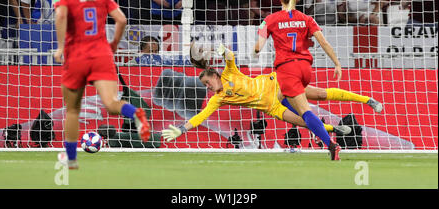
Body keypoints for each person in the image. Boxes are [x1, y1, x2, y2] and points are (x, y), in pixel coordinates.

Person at [162, 42, 383, 144]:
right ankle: (333, 128)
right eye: (207, 87)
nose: (208, 88)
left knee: (321, 95)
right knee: (304, 122)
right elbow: (201, 116)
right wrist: (182, 129)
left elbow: (229, 55)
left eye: (208, 83)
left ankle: (367, 100)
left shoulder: (230, 73)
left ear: (215, 76)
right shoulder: (219, 98)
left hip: (277, 85)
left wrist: (216, 49)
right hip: (272, 107)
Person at [54, 0, 150, 169]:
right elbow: (122, 19)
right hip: (101, 55)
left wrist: (60, 47)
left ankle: (71, 160)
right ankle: (136, 113)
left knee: (72, 110)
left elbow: (60, 17)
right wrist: (114, 43)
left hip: (77, 55)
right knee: (111, 103)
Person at [253, 0, 344, 160]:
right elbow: (323, 42)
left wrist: (254, 52)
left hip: (287, 69)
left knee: (304, 111)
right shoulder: (306, 19)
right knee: (281, 98)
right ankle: (316, 125)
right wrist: (337, 63)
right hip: (305, 68)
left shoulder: (270, 19)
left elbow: (259, 47)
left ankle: (331, 144)